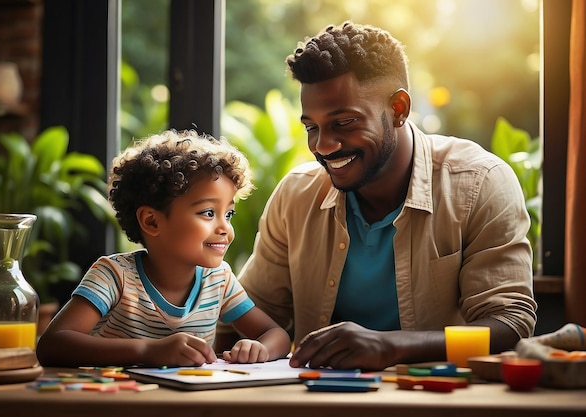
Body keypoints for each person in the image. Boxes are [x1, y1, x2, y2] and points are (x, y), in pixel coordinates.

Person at [216, 21, 537, 371]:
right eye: (312, 127)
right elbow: (246, 320)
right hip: (316, 400)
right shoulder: (296, 195)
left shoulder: (479, 184)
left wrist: (392, 346)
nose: (323, 145)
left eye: (345, 122)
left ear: (398, 109)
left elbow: (508, 327)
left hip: (437, 400)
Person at [37, 129, 290, 368]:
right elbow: (52, 344)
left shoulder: (219, 280)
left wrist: (260, 348)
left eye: (229, 213)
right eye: (209, 213)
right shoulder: (114, 275)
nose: (225, 228)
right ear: (152, 221)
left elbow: (275, 334)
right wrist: (149, 351)